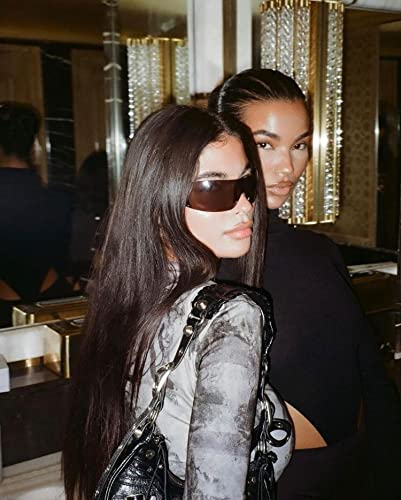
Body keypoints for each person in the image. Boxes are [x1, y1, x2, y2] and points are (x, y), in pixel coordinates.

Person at [62, 105, 293, 499]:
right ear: (159, 201)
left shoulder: (128, 300)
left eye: (247, 184)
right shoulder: (232, 317)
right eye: (214, 188)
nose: (245, 206)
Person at [210, 68, 401, 500]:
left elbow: (371, 378)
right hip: (274, 485)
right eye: (265, 144)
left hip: (352, 474)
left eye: (299, 145)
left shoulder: (317, 252)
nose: (288, 167)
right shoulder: (206, 262)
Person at [0, 102, 73, 326]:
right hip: (51, 295)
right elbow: (63, 258)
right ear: (34, 145)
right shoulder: (59, 198)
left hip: (6, 303)